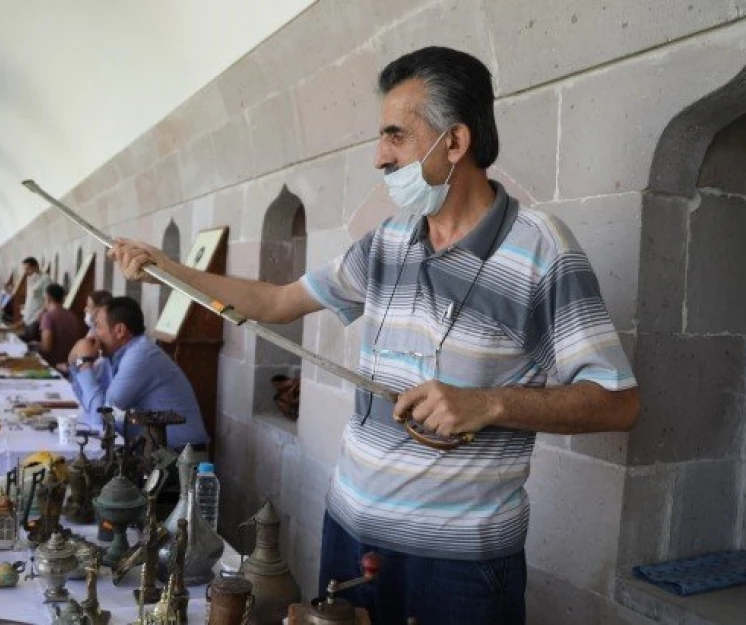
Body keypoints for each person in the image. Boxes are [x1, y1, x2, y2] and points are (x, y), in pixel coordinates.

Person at [108, 47, 640, 624]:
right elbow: (279, 301)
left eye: (395, 136)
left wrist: (488, 403)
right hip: (349, 537)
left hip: (458, 565)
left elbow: (619, 402)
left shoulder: (542, 250)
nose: (378, 157)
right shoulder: (390, 241)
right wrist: (170, 268)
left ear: (454, 143)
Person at [67, 296, 208, 449]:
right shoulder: (115, 355)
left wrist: (84, 363)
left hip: (180, 455)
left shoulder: (141, 354)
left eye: (98, 327)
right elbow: (91, 404)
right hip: (153, 449)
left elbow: (101, 417)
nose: (93, 335)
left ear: (119, 330)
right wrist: (75, 362)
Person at [17, 257, 51, 326]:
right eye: (24, 269)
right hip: (27, 318)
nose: (26, 272)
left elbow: (48, 300)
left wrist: (41, 314)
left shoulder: (45, 279)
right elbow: (30, 298)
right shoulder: (30, 279)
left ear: (36, 267)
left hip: (37, 318)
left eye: (28, 269)